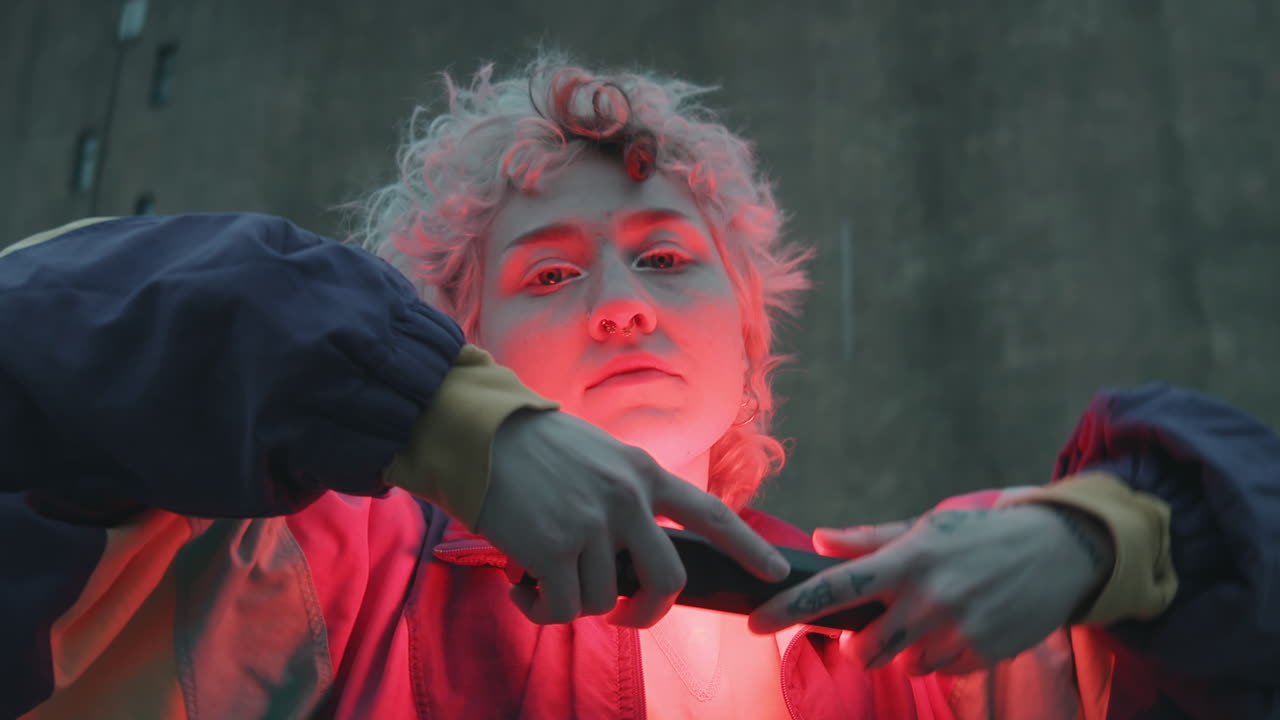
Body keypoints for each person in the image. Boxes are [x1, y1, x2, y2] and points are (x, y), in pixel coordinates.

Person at [1, 52, 1276, 719]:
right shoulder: (289, 578)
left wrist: (1112, 540)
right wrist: (441, 425)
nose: (619, 298)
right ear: (460, 342)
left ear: (743, 340)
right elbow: (49, 351)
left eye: (666, 257)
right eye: (547, 277)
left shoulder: (919, 647)